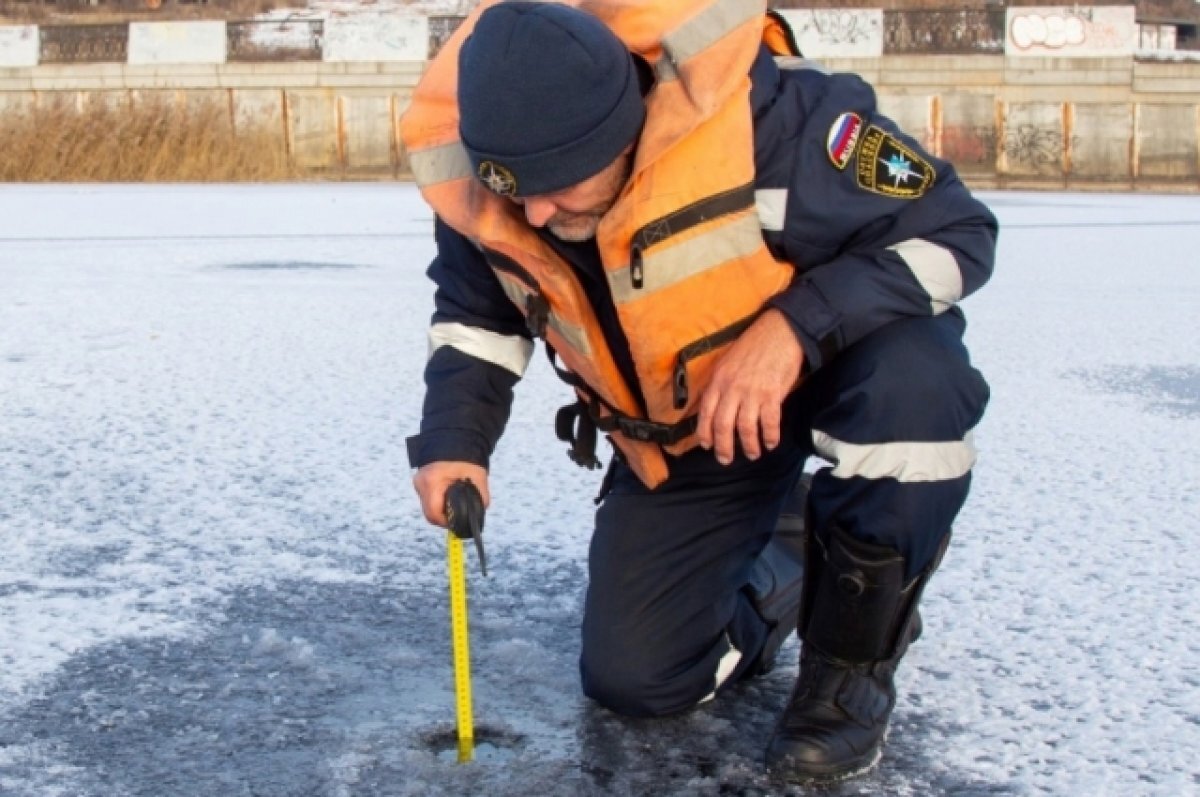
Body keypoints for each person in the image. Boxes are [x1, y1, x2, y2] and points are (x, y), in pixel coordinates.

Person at [400, 0, 994, 783]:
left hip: (834, 374)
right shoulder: (501, 172)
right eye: (515, 190)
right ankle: (787, 549)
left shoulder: (781, 123)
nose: (534, 212)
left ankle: (850, 669)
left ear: (622, 130)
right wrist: (453, 443)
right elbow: (477, 318)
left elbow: (958, 235)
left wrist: (792, 329)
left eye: (555, 185)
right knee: (637, 681)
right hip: (697, 428)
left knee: (915, 383)